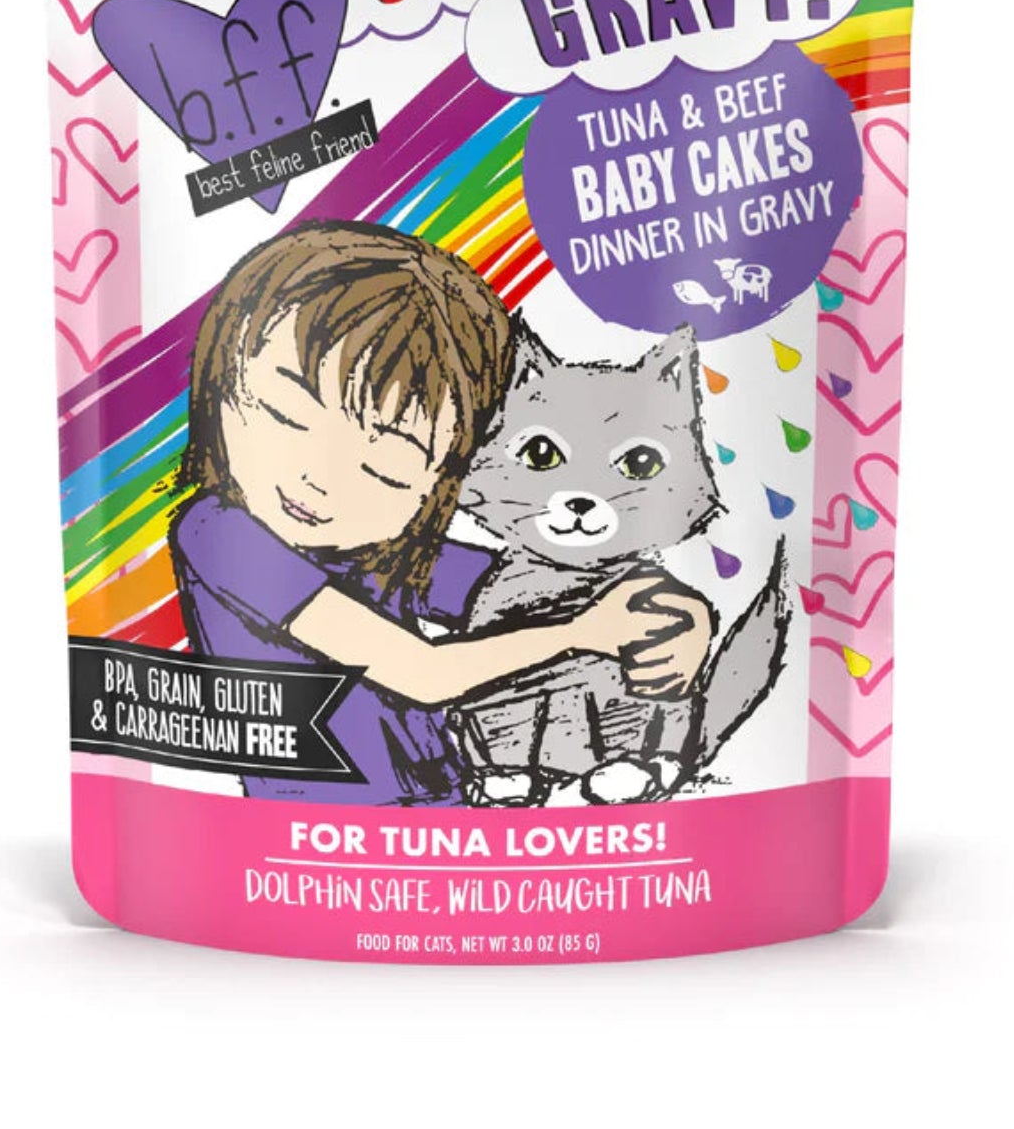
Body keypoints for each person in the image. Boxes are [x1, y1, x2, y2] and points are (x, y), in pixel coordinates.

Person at [169, 221, 713, 804]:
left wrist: (675, 616)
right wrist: (585, 633)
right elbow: (420, 673)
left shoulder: (389, 549)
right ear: (221, 387)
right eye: (285, 416)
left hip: (452, 796)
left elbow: (535, 588)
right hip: (328, 815)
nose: (316, 479)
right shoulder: (219, 533)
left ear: (443, 481)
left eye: (385, 468)